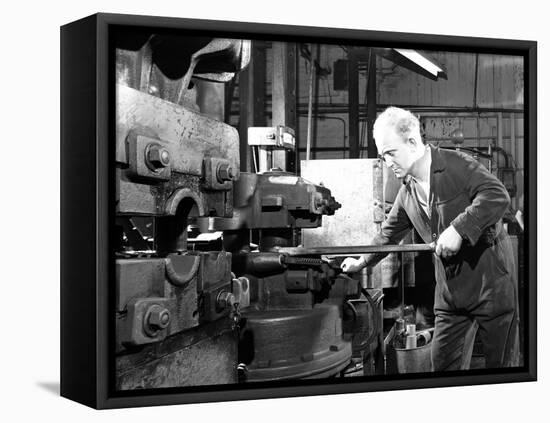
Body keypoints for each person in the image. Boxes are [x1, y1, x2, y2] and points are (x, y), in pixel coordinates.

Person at [341, 107, 519, 371]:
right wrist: (362, 261)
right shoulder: (407, 193)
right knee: (444, 368)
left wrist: (459, 229)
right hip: (450, 296)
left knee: (502, 369)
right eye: (382, 156)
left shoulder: (458, 164)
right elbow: (387, 235)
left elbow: (497, 195)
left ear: (412, 142)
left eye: (391, 153)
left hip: (490, 286)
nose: (387, 162)